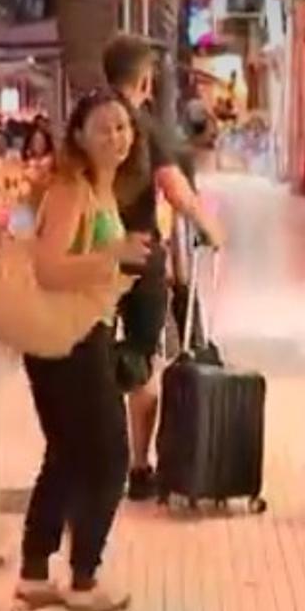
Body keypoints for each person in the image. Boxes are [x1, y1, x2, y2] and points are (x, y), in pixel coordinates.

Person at [15, 89, 152, 611]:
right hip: (70, 338)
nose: (116, 137)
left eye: (122, 127)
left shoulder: (99, 187)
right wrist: (112, 256)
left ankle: (33, 571)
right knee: (110, 455)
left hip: (68, 335)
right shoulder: (72, 189)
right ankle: (84, 577)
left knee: (67, 451)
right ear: (77, 136)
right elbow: (48, 269)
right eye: (103, 129)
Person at [102, 35, 225, 500]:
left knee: (88, 356)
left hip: (87, 258)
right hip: (137, 257)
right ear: (145, 79)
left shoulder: (83, 122)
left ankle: (87, 458)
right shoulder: (144, 127)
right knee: (141, 360)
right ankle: (137, 466)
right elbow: (175, 190)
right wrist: (211, 228)